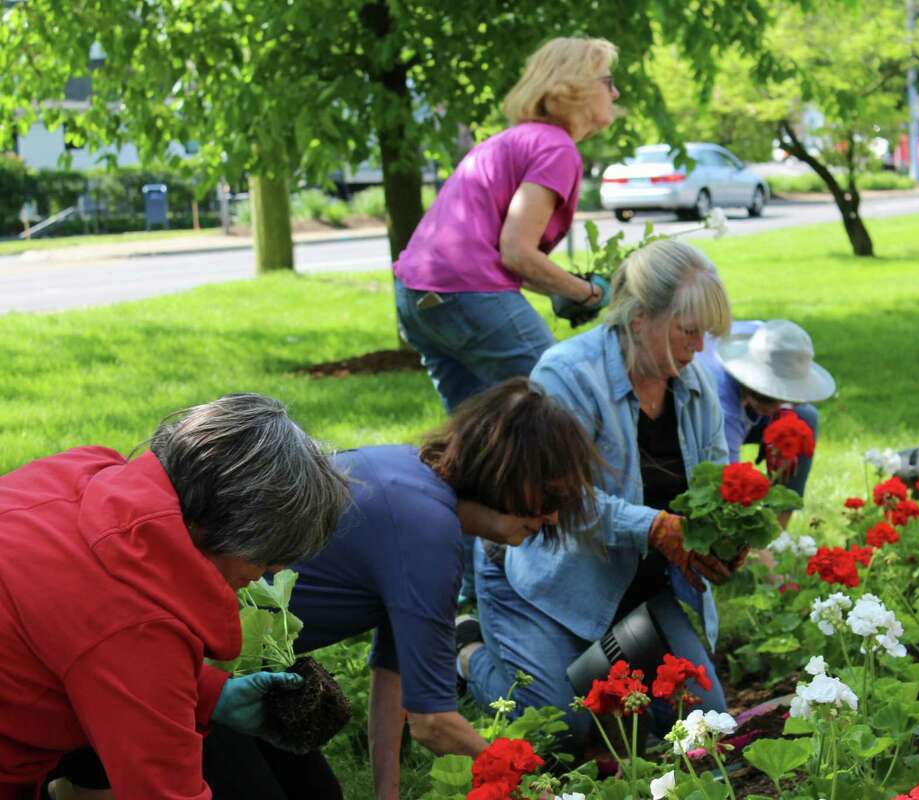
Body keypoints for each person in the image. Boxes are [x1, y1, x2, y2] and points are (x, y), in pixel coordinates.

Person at [231, 379, 601, 800]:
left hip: (238, 671)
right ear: (507, 473)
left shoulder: (413, 479)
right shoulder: (428, 533)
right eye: (549, 498)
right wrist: (537, 790)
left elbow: (392, 678)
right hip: (196, 665)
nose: (552, 518)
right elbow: (433, 723)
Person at [0, 394, 350, 800]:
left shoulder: (85, 471)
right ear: (223, 527)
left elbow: (83, 645)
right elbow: (166, 791)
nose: (269, 571)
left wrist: (211, 695)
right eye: (268, 554)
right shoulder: (135, 625)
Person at [460, 239, 738, 747]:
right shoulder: (567, 374)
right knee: (561, 728)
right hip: (546, 582)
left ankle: (598, 670)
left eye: (705, 334)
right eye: (688, 330)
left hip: (636, 591)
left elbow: (716, 479)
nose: (699, 348)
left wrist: (724, 532)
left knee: (704, 724)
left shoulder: (693, 384)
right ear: (639, 319)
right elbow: (561, 501)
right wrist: (655, 526)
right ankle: (466, 650)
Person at [393, 36, 621, 414]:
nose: (615, 94)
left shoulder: (511, 141)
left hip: (415, 294)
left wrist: (560, 289)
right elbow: (516, 251)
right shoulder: (556, 147)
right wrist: (587, 292)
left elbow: (496, 251)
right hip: (467, 292)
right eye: (607, 82)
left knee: (478, 428)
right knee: (564, 407)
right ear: (575, 86)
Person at [697, 319, 835, 519]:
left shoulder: (772, 339)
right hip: (699, 424)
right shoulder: (722, 405)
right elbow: (726, 477)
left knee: (805, 417)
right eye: (769, 400)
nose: (779, 407)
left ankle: (778, 529)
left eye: (790, 399)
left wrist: (785, 425)